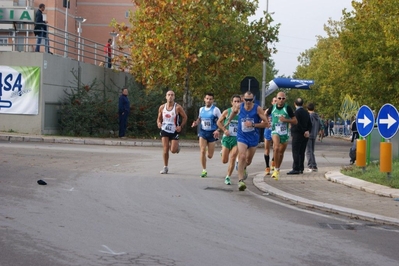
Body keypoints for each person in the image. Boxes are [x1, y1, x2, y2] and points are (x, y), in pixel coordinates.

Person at [227, 91, 269, 191]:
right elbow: (233, 112)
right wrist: (229, 120)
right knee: (241, 155)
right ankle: (241, 181)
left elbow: (266, 124)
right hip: (242, 136)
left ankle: (243, 167)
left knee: (248, 161)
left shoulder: (257, 109)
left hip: (253, 137)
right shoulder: (239, 106)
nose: (248, 102)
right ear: (243, 99)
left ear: (253, 99)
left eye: (250, 100)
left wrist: (253, 125)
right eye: (246, 100)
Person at [266, 92, 297, 180]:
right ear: (276, 98)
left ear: (285, 99)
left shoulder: (287, 108)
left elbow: (295, 121)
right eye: (279, 98)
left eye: (283, 98)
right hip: (275, 130)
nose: (281, 100)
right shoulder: (273, 107)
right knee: (276, 148)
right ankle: (275, 169)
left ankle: (278, 168)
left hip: (284, 133)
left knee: (281, 152)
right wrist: (267, 122)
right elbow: (266, 114)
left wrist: (286, 120)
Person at [191, 92, 222, 178]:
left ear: (213, 100)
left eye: (210, 99)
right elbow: (200, 119)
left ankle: (209, 148)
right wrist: (196, 123)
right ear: (204, 99)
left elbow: (222, 121)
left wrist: (218, 130)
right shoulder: (201, 109)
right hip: (203, 132)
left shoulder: (216, 110)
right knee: (202, 150)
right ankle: (204, 170)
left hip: (212, 133)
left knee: (210, 156)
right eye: (207, 98)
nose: (208, 100)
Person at [157, 90, 187, 174]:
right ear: (166, 97)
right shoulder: (162, 107)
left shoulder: (177, 107)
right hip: (164, 130)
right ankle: (165, 167)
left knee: (173, 150)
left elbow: (185, 117)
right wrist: (159, 123)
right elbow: (159, 118)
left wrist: (180, 126)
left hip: (174, 131)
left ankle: (176, 147)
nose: (170, 96)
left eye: (172, 95)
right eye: (169, 95)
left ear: (174, 97)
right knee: (165, 149)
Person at [216, 94, 241, 185]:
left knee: (233, 156)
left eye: (238, 101)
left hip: (237, 139)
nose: (237, 103)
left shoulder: (242, 113)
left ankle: (228, 177)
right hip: (227, 138)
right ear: (232, 102)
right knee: (224, 161)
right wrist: (224, 130)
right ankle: (222, 152)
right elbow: (218, 122)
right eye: (235, 101)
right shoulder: (227, 112)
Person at [288, 98, 312, 175]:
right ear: (303, 104)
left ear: (295, 104)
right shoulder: (306, 113)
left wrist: (303, 131)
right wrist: (307, 131)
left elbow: (297, 124)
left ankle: (296, 168)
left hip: (297, 134)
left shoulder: (295, 113)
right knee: (302, 152)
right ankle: (301, 168)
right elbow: (310, 124)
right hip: (305, 136)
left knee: (296, 152)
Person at [263, 97, 278, 175]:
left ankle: (273, 160)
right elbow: (264, 116)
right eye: (274, 101)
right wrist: (266, 122)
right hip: (268, 131)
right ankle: (267, 167)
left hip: (276, 131)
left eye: (277, 101)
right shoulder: (268, 110)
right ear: (272, 102)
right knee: (267, 149)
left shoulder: (279, 111)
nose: (276, 102)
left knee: (276, 148)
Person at [306, 103, 322, 172]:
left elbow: (308, 125)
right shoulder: (317, 117)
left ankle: (311, 166)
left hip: (309, 135)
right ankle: (314, 165)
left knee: (309, 151)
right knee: (312, 151)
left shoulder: (309, 116)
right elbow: (320, 126)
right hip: (314, 134)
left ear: (307, 109)